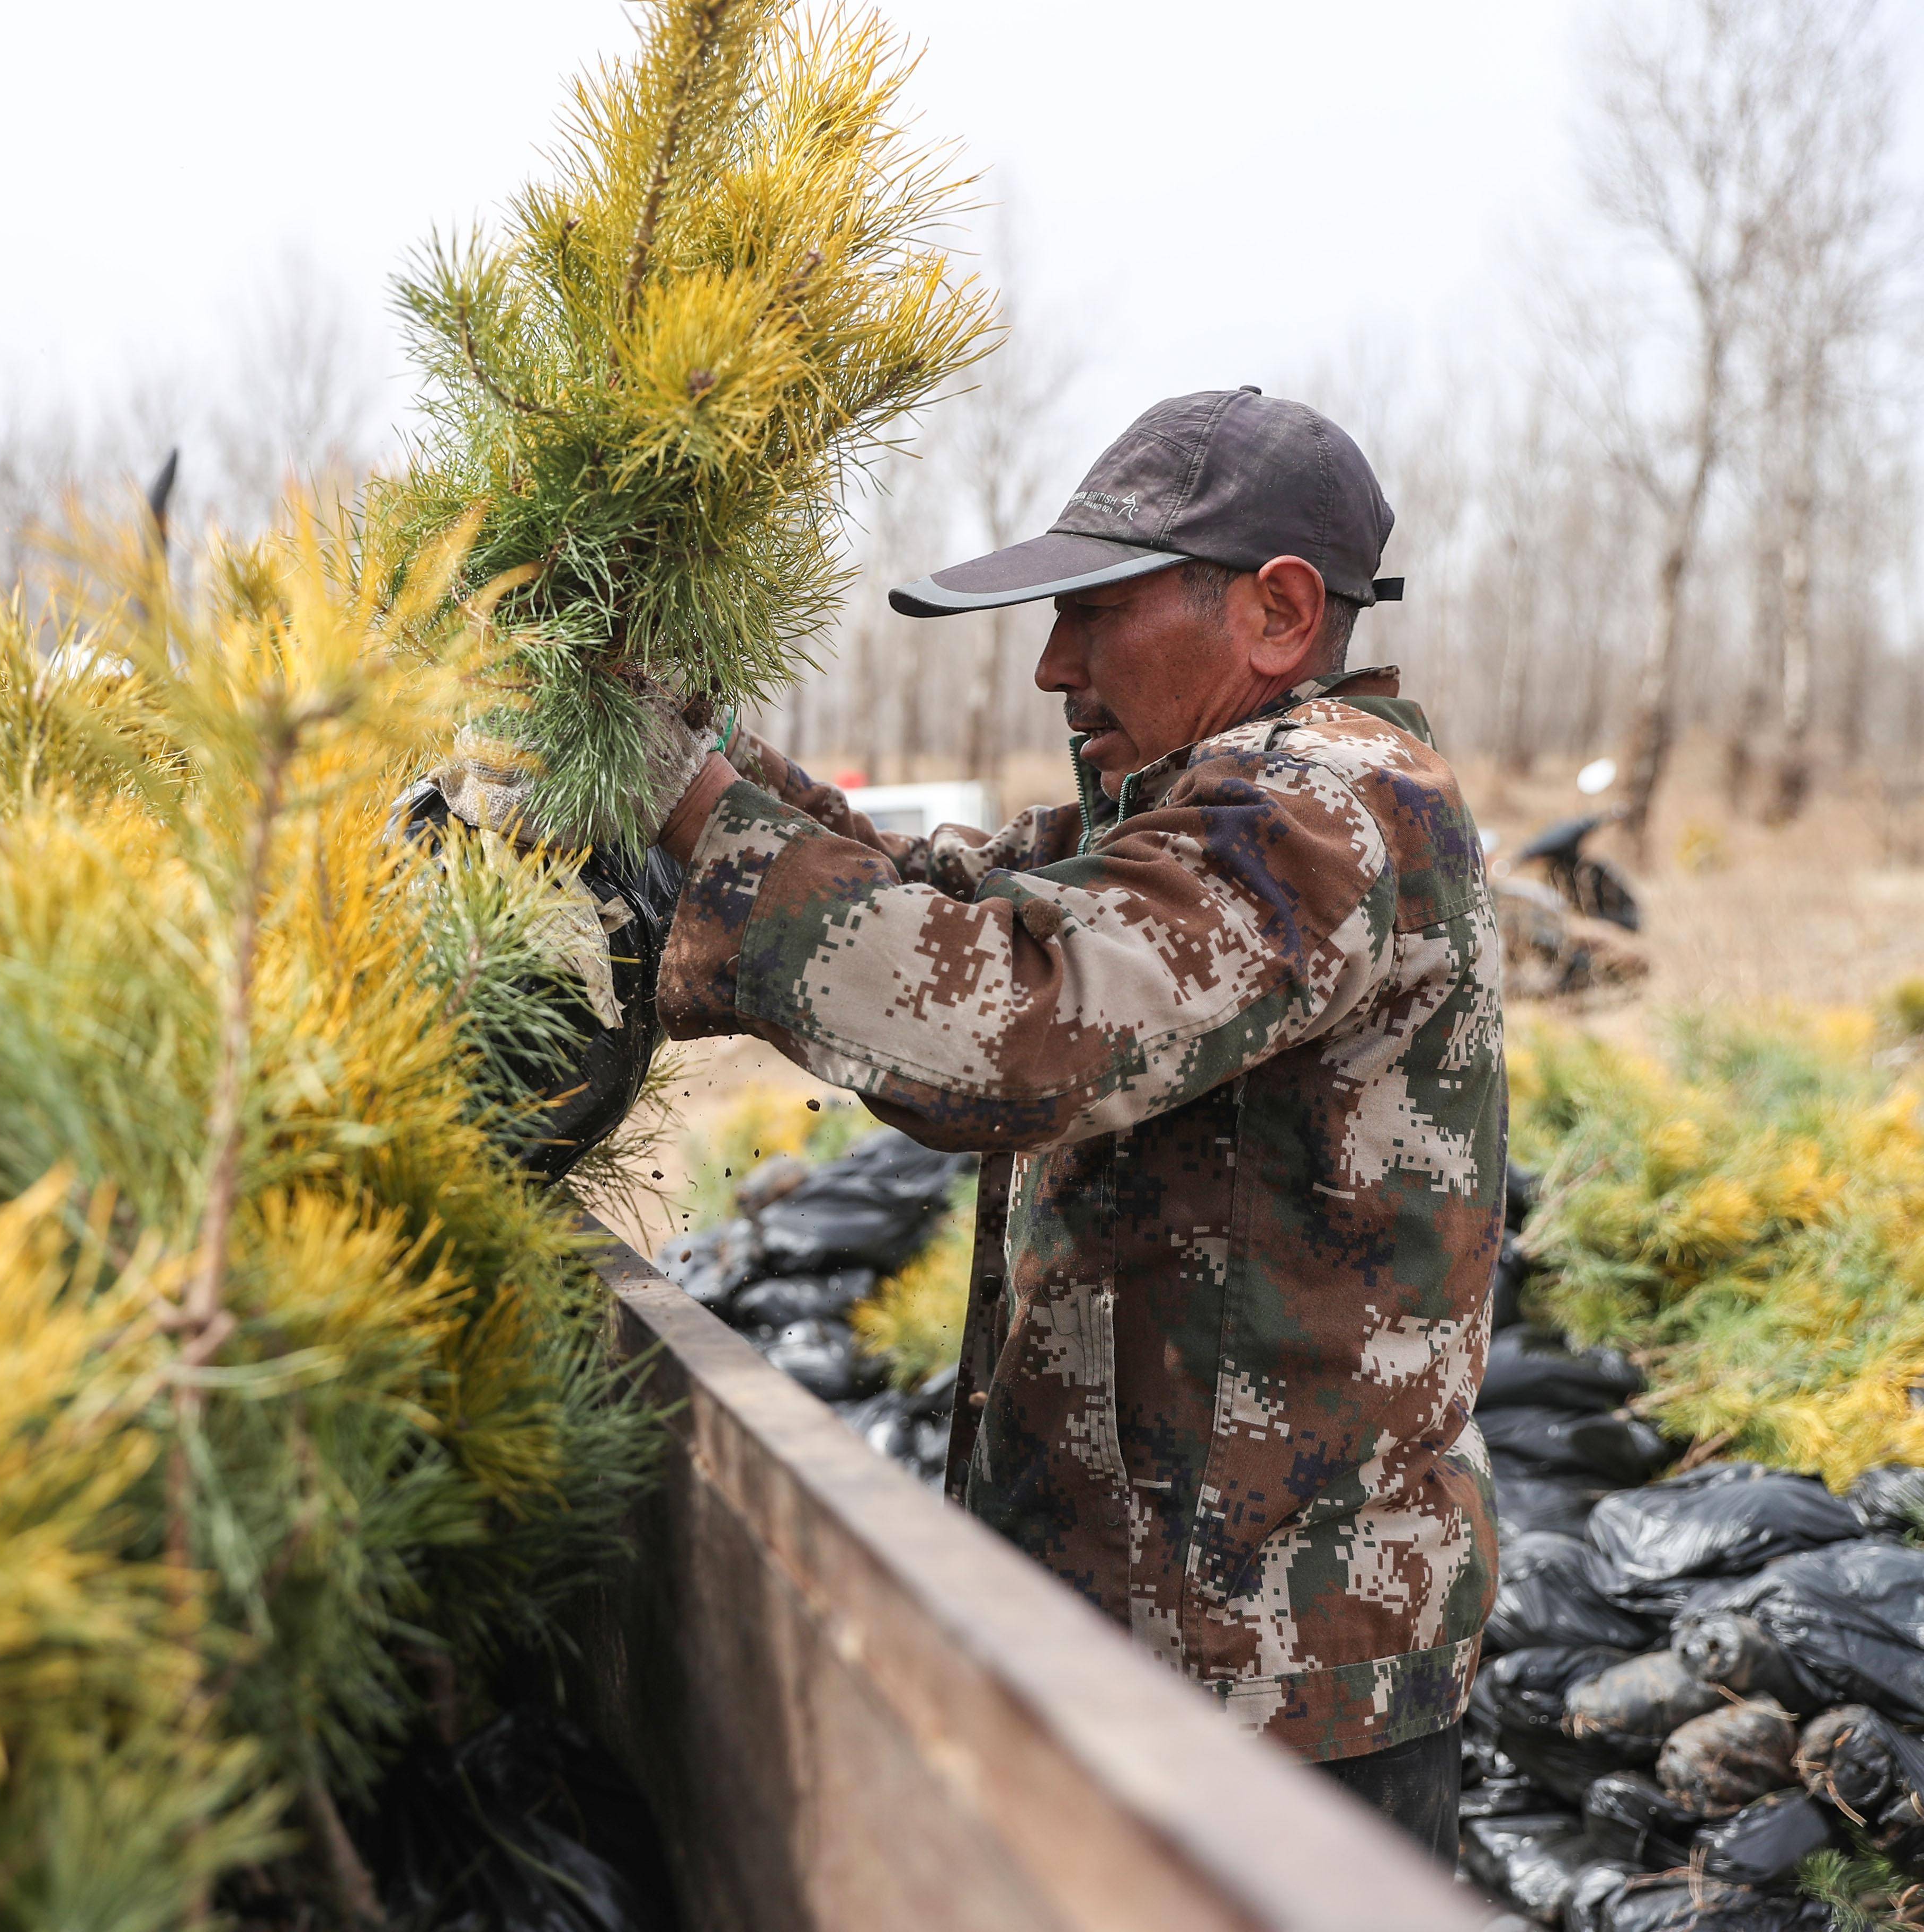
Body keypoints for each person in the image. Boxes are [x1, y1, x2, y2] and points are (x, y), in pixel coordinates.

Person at [635, 388, 1501, 1859]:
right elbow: (946, 895)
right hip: (1156, 1642)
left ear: (1281, 613)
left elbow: (1014, 1022)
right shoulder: (1187, 809)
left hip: (1270, 1690)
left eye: (1096, 614)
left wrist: (694, 810)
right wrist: (670, 755)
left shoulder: (1331, 813)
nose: (1051, 665)